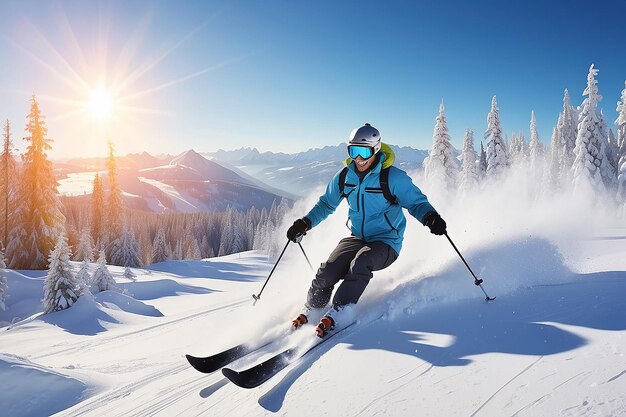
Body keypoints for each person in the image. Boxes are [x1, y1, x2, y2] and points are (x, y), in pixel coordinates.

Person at [286, 123, 447, 337]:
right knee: (328, 270)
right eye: (353, 151)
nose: (359, 159)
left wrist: (430, 217)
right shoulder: (345, 177)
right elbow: (327, 204)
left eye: (364, 152)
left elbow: (416, 203)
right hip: (358, 237)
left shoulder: (392, 178)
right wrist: (305, 223)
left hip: (387, 242)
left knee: (360, 263)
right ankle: (313, 308)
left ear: (376, 150)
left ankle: (340, 311)